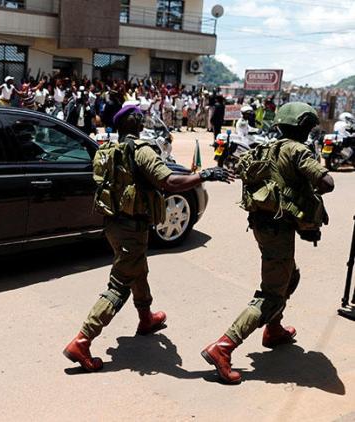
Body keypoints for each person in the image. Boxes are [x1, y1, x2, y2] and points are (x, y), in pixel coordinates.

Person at [63, 105, 234, 372]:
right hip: (132, 227)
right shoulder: (141, 151)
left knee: (137, 270)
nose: (143, 119)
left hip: (114, 224)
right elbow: (169, 182)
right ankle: (82, 341)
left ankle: (146, 318)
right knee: (120, 284)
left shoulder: (110, 149)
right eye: (140, 117)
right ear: (137, 123)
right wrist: (205, 174)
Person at [201, 103, 335, 384]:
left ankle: (273, 329)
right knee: (272, 292)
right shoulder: (297, 150)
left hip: (262, 225)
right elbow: (327, 182)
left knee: (291, 276)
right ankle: (223, 347)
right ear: (302, 127)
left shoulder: (267, 147)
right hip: (278, 228)